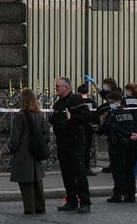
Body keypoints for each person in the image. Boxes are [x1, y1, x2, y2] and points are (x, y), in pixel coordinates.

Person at [50, 77, 91, 213]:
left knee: (79, 173)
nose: (56, 88)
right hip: (62, 142)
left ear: (66, 87)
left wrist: (71, 118)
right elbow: (54, 118)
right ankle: (71, 201)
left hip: (75, 142)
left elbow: (86, 117)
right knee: (66, 174)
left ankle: (85, 202)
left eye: (58, 86)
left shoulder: (77, 100)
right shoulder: (59, 102)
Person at [8, 88, 48, 215]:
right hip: (36, 153)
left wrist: (11, 149)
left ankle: (29, 208)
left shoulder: (20, 116)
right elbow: (46, 134)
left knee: (26, 183)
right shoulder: (40, 114)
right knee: (37, 181)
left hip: (23, 153)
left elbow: (15, 137)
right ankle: (40, 207)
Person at [99, 91, 137, 203]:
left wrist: (128, 135)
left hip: (118, 144)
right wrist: (135, 134)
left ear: (112, 101)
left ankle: (118, 195)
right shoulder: (130, 112)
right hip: (133, 143)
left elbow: (109, 127)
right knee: (130, 170)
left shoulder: (112, 114)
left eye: (109, 102)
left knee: (118, 171)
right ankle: (131, 195)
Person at [75, 83, 96, 176]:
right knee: (87, 148)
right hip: (89, 127)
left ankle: (79, 167)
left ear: (78, 92)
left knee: (79, 148)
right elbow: (95, 115)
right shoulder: (91, 101)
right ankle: (87, 167)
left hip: (78, 127)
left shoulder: (77, 101)